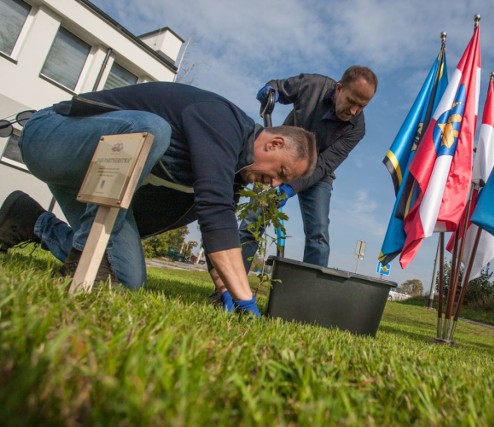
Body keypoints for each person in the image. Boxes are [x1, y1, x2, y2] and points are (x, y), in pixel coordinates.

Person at [0, 81, 317, 316]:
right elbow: (214, 212)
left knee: (127, 280)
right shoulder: (222, 121)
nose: (274, 184)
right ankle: (80, 258)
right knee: (152, 128)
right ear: (274, 144)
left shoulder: (235, 171)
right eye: (282, 173)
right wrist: (246, 297)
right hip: (51, 137)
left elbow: (221, 230)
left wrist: (225, 290)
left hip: (89, 180)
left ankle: (29, 219)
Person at [238, 65, 378, 271]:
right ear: (339, 88)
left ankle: (307, 300)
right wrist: (271, 91)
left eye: (361, 106)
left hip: (317, 175)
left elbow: (325, 164)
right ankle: (229, 288)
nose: (354, 111)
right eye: (351, 101)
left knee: (318, 234)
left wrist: (290, 187)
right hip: (281, 161)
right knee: (253, 221)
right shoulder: (313, 85)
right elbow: (279, 86)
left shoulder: (357, 128)